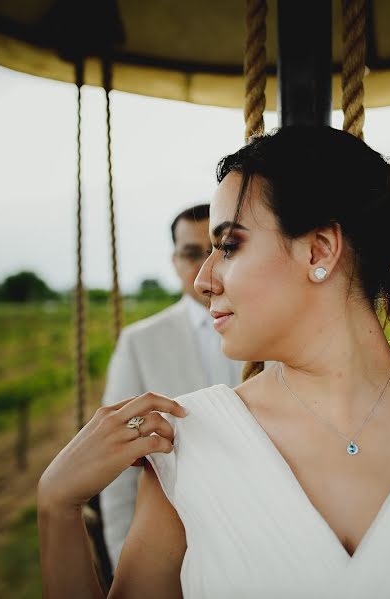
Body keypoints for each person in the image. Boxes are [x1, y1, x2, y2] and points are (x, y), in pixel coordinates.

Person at [38, 126, 390, 599]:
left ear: (319, 249)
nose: (203, 280)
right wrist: (57, 507)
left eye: (229, 246)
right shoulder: (189, 444)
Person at [98, 204, 245, 572]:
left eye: (219, 249)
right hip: (175, 552)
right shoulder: (139, 342)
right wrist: (124, 564)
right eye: (191, 253)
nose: (204, 264)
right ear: (175, 261)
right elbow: (116, 468)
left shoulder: (277, 330)